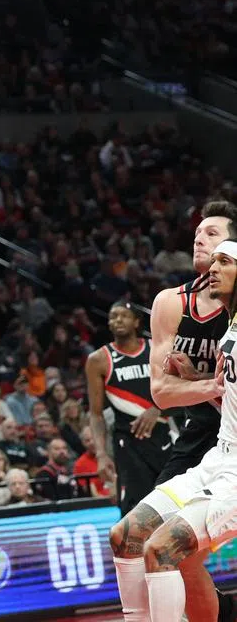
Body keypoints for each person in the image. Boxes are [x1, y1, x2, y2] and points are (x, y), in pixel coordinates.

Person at [109, 202, 237, 622]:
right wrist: (212, 386)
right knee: (127, 536)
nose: (201, 243)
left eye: (220, 249)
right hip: (210, 441)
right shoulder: (179, 304)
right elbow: (162, 392)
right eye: (198, 235)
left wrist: (201, 384)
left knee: (164, 550)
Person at [85, 302, 170, 515]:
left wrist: (157, 408)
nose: (118, 320)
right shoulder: (99, 359)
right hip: (127, 442)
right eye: (113, 316)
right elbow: (95, 414)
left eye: (124, 316)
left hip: (163, 436)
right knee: (135, 510)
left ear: (136, 321)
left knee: (171, 504)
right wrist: (102, 454)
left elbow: (177, 390)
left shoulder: (156, 348)